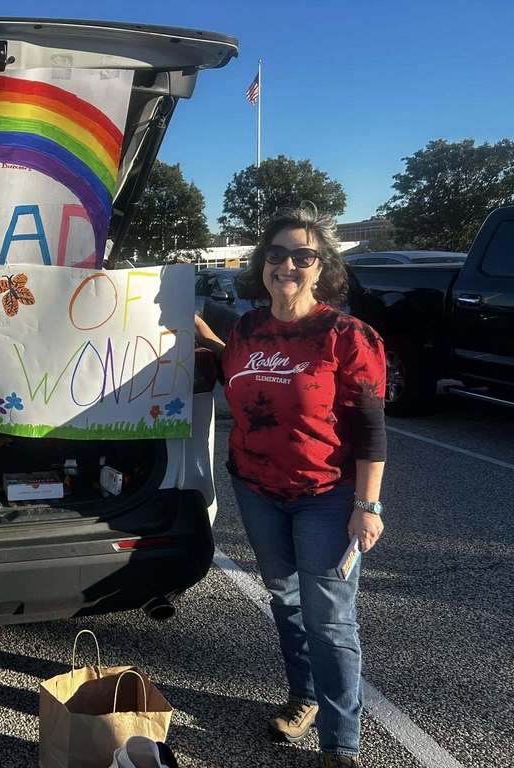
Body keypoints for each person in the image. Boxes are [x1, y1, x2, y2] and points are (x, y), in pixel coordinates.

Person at [194, 207, 386, 768]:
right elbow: (224, 368)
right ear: (262, 264)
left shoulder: (346, 335)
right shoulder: (249, 328)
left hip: (327, 494)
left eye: (303, 256)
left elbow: (371, 428)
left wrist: (367, 506)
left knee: (330, 620)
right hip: (256, 489)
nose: (288, 265)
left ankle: (340, 745)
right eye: (276, 254)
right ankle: (303, 698)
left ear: (321, 267)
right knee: (284, 598)